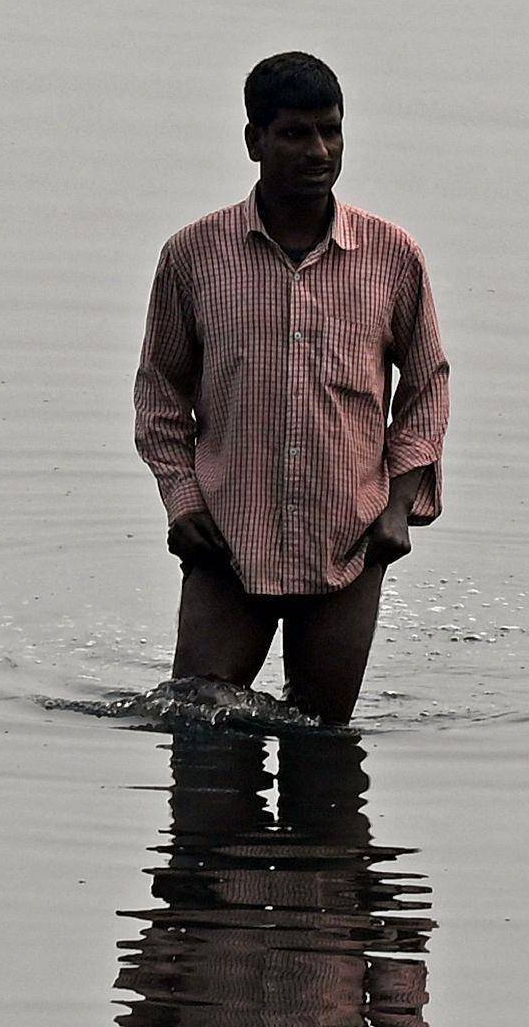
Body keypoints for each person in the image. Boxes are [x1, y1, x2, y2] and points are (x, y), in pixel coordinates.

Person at [133, 53, 451, 723]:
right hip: (227, 540)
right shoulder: (193, 256)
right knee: (199, 734)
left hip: (348, 540)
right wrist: (181, 501)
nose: (318, 151)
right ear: (254, 140)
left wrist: (396, 508)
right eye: (295, 133)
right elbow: (160, 394)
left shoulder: (391, 257)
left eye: (330, 132)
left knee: (324, 741)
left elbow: (426, 390)